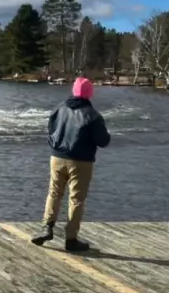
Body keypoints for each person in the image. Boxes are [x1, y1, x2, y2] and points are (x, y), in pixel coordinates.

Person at [31, 77, 111, 252]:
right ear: (90, 94)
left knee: (54, 192)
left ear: (73, 91)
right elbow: (103, 141)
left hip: (57, 157)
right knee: (76, 199)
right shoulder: (93, 115)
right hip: (81, 161)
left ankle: (47, 226)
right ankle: (71, 239)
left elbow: (51, 129)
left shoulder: (59, 109)